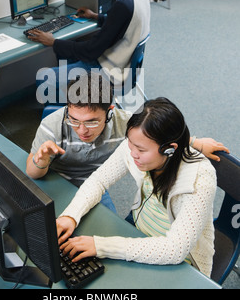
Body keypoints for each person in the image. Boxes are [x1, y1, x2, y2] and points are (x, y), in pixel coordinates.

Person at [56, 97, 221, 278]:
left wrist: (101, 246)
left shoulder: (199, 179)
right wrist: (70, 216)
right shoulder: (137, 144)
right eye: (130, 143)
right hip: (137, 229)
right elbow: (99, 180)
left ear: (170, 149)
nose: (133, 153)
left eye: (141, 150)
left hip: (179, 260)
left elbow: (175, 249)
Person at [27, 73, 229, 212]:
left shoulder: (124, 122)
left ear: (110, 111)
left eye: (91, 122)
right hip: (56, 184)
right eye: (74, 120)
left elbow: (159, 136)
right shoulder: (52, 124)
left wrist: (195, 143)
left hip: (96, 184)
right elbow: (32, 173)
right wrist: (42, 161)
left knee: (108, 231)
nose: (81, 130)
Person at [28, 0, 151, 104]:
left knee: (44, 79)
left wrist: (54, 42)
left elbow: (91, 50)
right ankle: (75, 95)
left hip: (108, 70)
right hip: (125, 65)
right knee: (66, 53)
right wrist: (96, 17)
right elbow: (126, 24)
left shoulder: (123, 5)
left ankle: (73, 113)